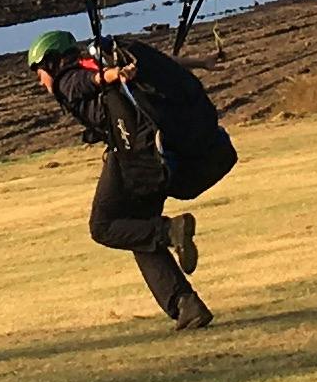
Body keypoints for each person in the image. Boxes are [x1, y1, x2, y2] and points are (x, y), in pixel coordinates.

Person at [27, 25, 235, 329]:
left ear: (52, 62)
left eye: (38, 72)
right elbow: (159, 65)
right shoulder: (101, 61)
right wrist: (200, 62)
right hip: (153, 152)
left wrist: (110, 77)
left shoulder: (67, 78)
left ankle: (170, 233)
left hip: (133, 158)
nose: (40, 81)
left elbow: (85, 83)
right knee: (137, 228)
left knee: (104, 226)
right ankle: (186, 306)